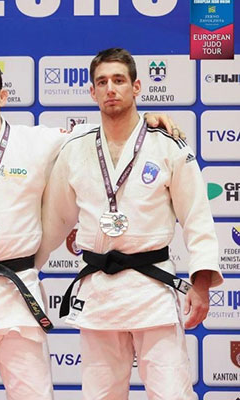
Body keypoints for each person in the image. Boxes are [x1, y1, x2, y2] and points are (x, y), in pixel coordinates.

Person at [0, 56, 181, 400]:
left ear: (2, 96)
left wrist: (146, 120)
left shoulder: (37, 142)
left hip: (18, 294)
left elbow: (106, 128)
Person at [36, 48, 223, 400]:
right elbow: (56, 221)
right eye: (102, 82)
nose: (110, 89)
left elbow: (197, 218)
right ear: (92, 92)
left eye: (119, 80)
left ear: (136, 87)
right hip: (98, 293)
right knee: (100, 395)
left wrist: (201, 285)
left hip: (152, 290)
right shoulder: (74, 148)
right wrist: (25, 273)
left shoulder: (167, 145)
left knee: (171, 393)